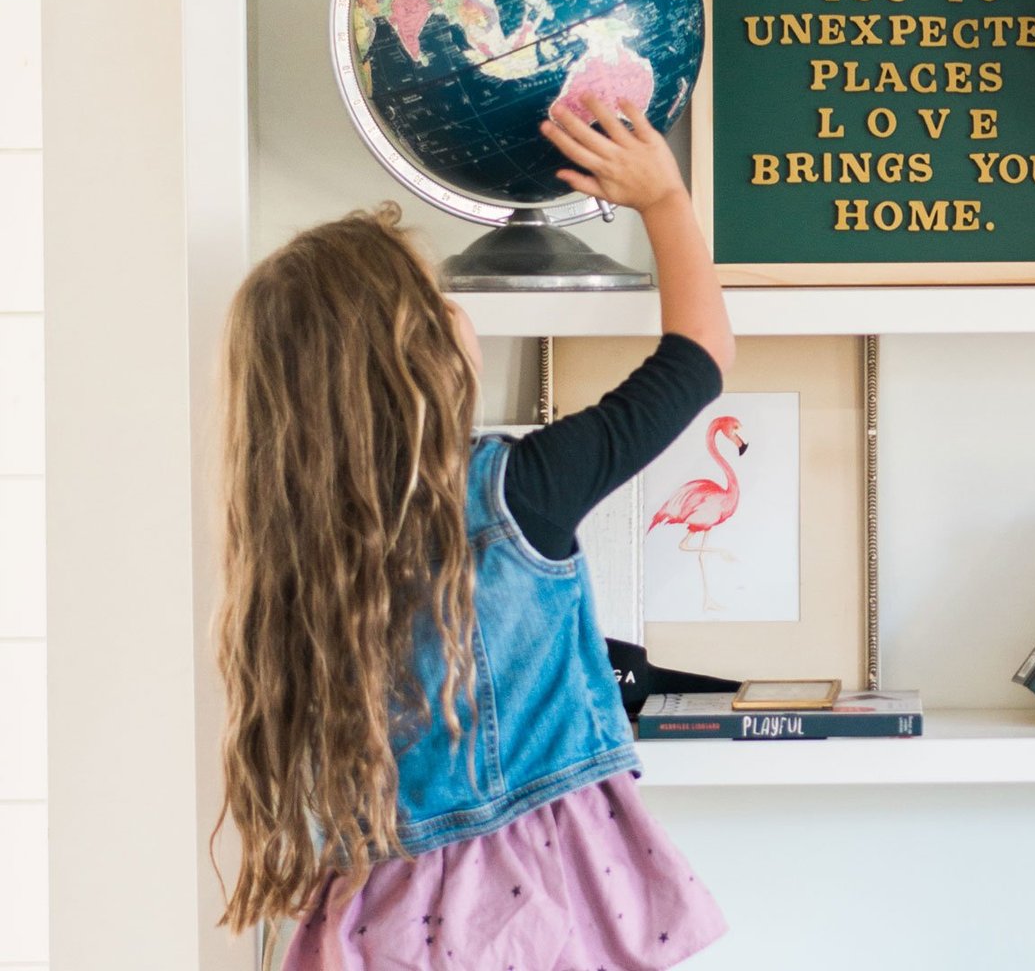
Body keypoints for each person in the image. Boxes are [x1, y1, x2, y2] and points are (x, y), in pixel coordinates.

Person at [214, 97, 733, 970]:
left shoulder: (292, 552)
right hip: (540, 909)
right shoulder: (518, 491)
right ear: (417, 355)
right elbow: (698, 358)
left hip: (378, 915)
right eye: (438, 298)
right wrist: (665, 201)